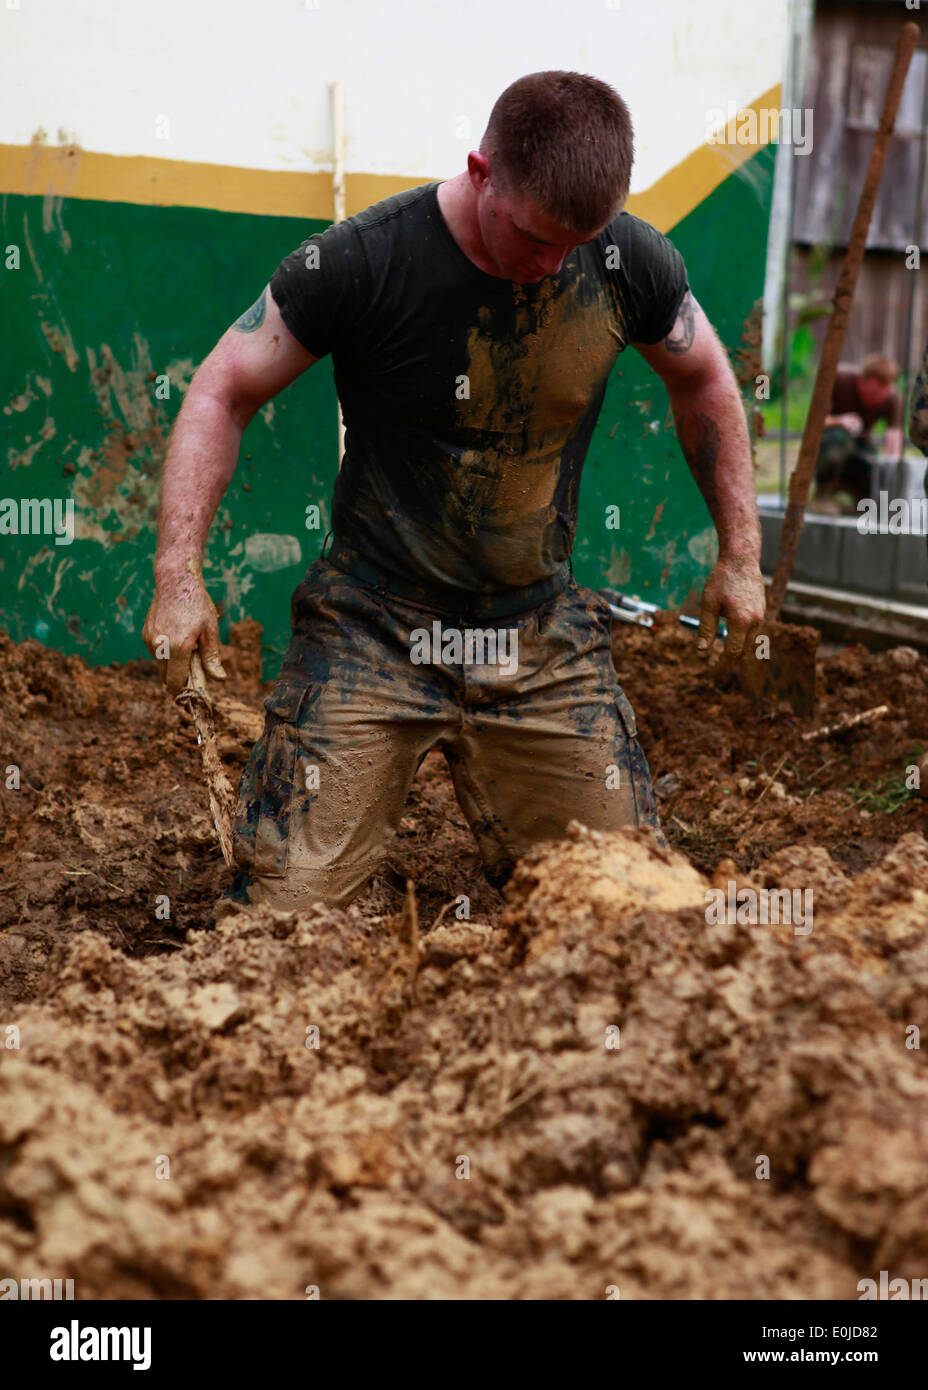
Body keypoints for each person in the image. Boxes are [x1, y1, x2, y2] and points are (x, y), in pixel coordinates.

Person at [142, 70, 765, 911]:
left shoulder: (626, 261)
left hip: (539, 636)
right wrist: (178, 575)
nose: (550, 265)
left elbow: (707, 381)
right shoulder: (362, 260)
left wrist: (741, 556)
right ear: (481, 174)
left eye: (573, 246)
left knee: (633, 911)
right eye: (533, 237)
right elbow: (223, 390)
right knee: (280, 918)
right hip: (372, 629)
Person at [814, 355, 903, 510]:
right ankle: (823, 496)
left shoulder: (892, 398)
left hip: (861, 441)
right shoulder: (839, 379)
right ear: (862, 381)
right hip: (830, 437)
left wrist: (893, 460)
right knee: (837, 441)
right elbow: (814, 420)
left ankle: (862, 502)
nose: (877, 399)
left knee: (874, 465)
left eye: (882, 394)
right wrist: (840, 421)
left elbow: (894, 433)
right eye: (873, 394)